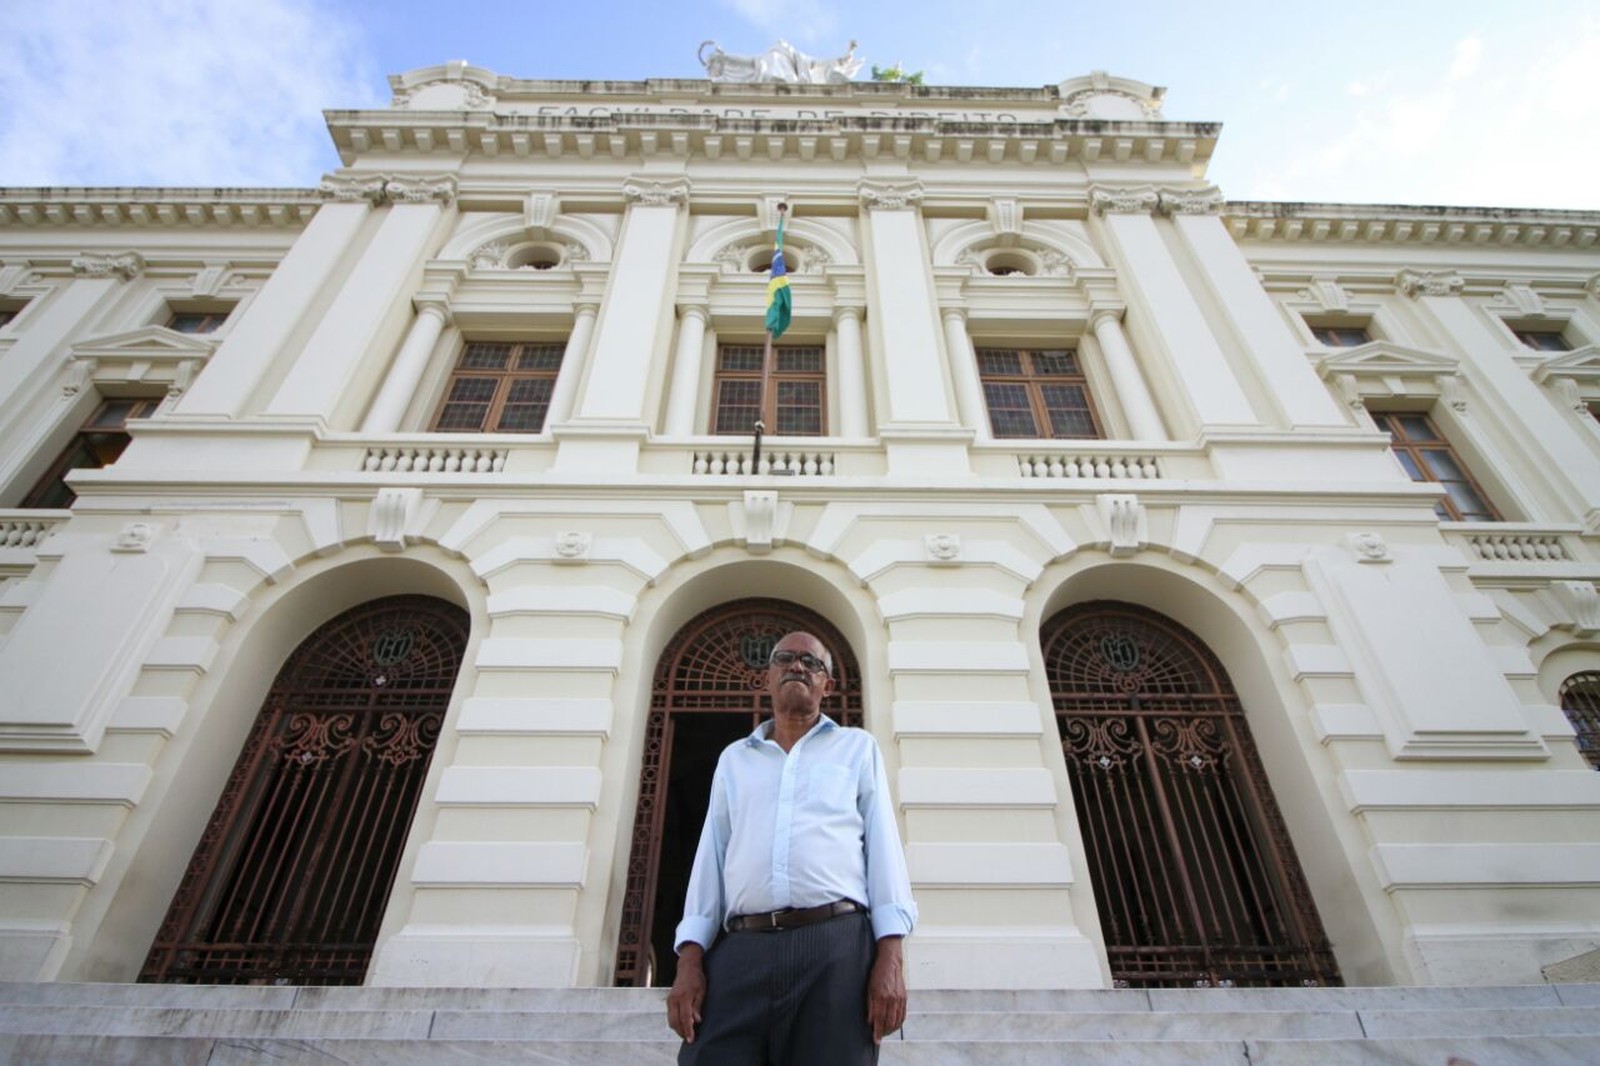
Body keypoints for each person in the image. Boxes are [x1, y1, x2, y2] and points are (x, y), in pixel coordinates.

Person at [666, 631, 917, 1064]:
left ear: (828, 686)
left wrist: (890, 956)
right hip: (742, 947)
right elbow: (713, 855)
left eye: (812, 662)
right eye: (785, 658)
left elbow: (883, 848)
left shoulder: (856, 749)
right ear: (768, 677)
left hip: (836, 948)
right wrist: (690, 957)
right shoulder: (734, 760)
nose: (797, 666)